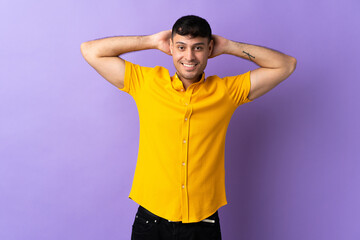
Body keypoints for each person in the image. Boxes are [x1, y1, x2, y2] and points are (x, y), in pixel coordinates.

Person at [81, 15, 296, 240]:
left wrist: (230, 46)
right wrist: (152, 41)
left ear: (210, 48)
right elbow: (90, 50)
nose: (189, 56)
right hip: (150, 221)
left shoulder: (227, 92)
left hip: (203, 224)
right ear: (171, 47)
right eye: (181, 47)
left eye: (198, 48)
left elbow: (286, 65)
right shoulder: (146, 83)